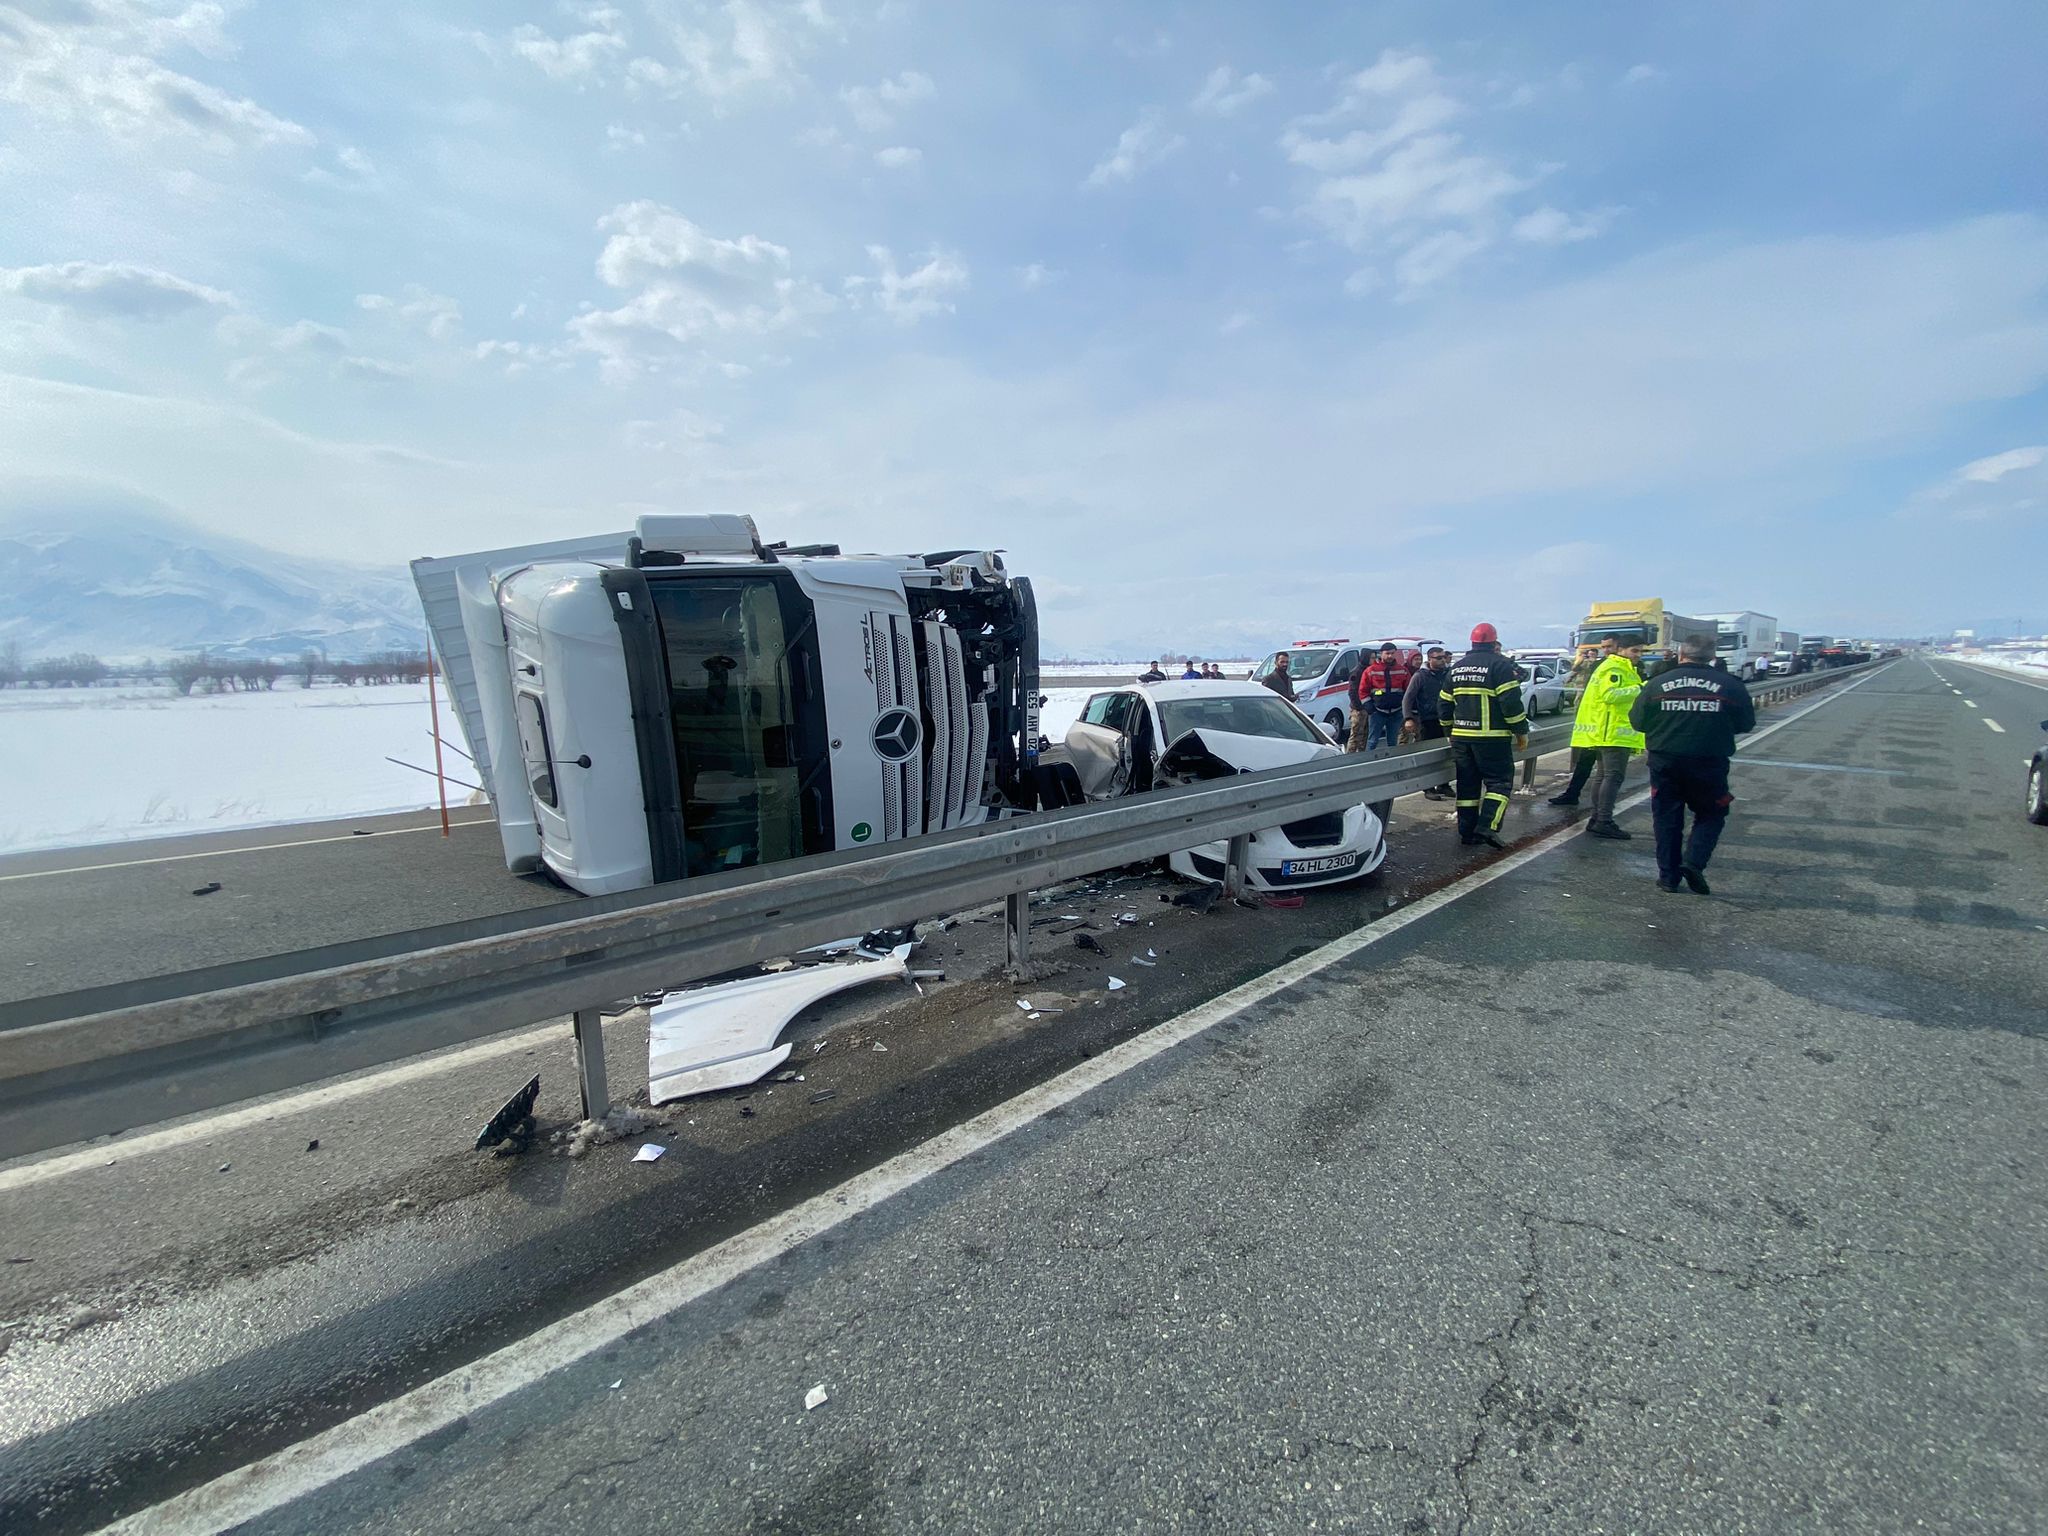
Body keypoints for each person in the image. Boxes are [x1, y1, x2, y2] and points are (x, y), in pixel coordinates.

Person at [1629, 634, 1756, 894]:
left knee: (1666, 818)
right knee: (1712, 812)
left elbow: (1638, 721)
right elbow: (1746, 723)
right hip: (1709, 761)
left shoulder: (1657, 684)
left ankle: (1668, 877)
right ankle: (1694, 862)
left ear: (1680, 654)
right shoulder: (1730, 685)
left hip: (1665, 761)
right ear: (1712, 656)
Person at [1439, 623, 1528, 848]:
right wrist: (1521, 731)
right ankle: (1487, 827)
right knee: (1499, 784)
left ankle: (1467, 833)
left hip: (1460, 738)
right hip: (1492, 738)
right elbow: (1511, 702)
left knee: (1468, 787)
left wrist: (1448, 730)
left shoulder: (1457, 667)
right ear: (1494, 642)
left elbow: (1443, 703)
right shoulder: (1500, 665)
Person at [1563, 636, 1645, 838]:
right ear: (1622, 649)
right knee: (1612, 776)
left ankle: (1597, 818)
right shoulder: (1615, 668)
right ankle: (1603, 820)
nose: (1638, 655)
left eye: (1641, 651)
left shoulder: (1616, 666)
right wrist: (1641, 688)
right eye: (1635, 651)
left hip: (1606, 731)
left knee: (1603, 776)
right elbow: (1610, 695)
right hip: (1612, 732)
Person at [1400, 645, 1454, 799]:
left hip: (1445, 720)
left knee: (1445, 754)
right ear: (1430, 659)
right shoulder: (1420, 676)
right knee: (1428, 756)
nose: (1442, 660)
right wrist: (1408, 718)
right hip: (1427, 720)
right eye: (1439, 658)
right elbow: (1408, 698)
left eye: (1444, 657)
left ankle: (1444, 784)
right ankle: (1428, 788)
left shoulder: (1447, 674)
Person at [1348, 641, 1412, 754]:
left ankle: (1391, 762)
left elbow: (1408, 691)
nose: (1390, 656)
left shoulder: (1402, 670)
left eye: (1392, 653)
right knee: (1372, 741)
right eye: (1387, 653)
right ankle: (1368, 763)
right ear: (1381, 654)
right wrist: (1370, 708)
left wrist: (1404, 709)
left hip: (1396, 713)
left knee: (1392, 742)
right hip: (1378, 713)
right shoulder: (1371, 671)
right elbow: (1363, 691)